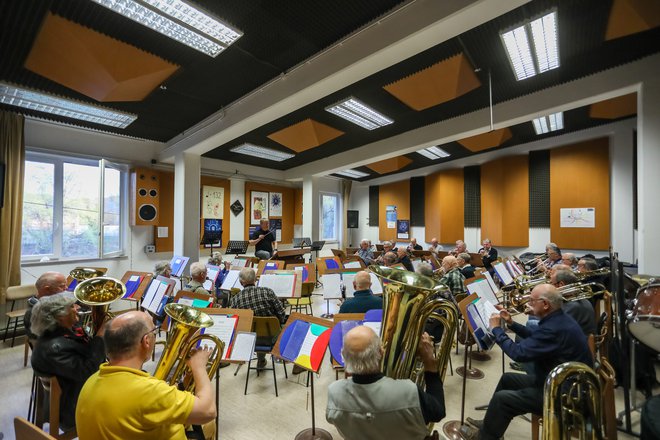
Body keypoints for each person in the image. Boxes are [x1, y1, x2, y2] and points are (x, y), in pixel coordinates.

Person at [463, 284, 593, 440]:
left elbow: (518, 353)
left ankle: (484, 437)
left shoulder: (553, 328)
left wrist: (497, 329)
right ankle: (488, 426)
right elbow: (535, 335)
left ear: (545, 304)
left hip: (564, 396)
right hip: (558, 383)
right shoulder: (558, 319)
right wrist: (511, 323)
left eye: (532, 300)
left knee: (503, 400)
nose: (528, 304)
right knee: (507, 379)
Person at [76, 311, 216, 439]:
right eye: (154, 331)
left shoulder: (92, 380)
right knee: (209, 426)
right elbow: (208, 411)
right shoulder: (149, 391)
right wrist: (199, 367)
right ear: (146, 341)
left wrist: (181, 385)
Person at [326, 326, 445, 440]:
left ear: (344, 358)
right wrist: (429, 362)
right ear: (381, 352)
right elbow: (438, 412)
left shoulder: (334, 392)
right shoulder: (409, 391)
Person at [30, 292, 107, 431]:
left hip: (74, 393)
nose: (77, 307)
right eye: (72, 306)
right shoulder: (54, 348)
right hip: (73, 409)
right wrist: (100, 337)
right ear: (59, 316)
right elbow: (88, 371)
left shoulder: (58, 334)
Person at [229, 267, 286, 370]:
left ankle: (261, 360)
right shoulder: (267, 292)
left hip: (250, 339)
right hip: (273, 336)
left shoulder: (235, 299)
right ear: (255, 279)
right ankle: (284, 357)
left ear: (241, 283)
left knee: (256, 328)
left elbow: (234, 323)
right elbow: (281, 314)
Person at [24, 271, 68, 345]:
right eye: (62, 286)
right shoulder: (38, 313)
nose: (66, 288)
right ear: (47, 289)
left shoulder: (50, 303)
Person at [551, 269, 596, 336]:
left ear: (561, 284)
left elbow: (555, 328)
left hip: (573, 342)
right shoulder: (575, 298)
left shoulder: (573, 305)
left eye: (552, 284)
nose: (550, 287)